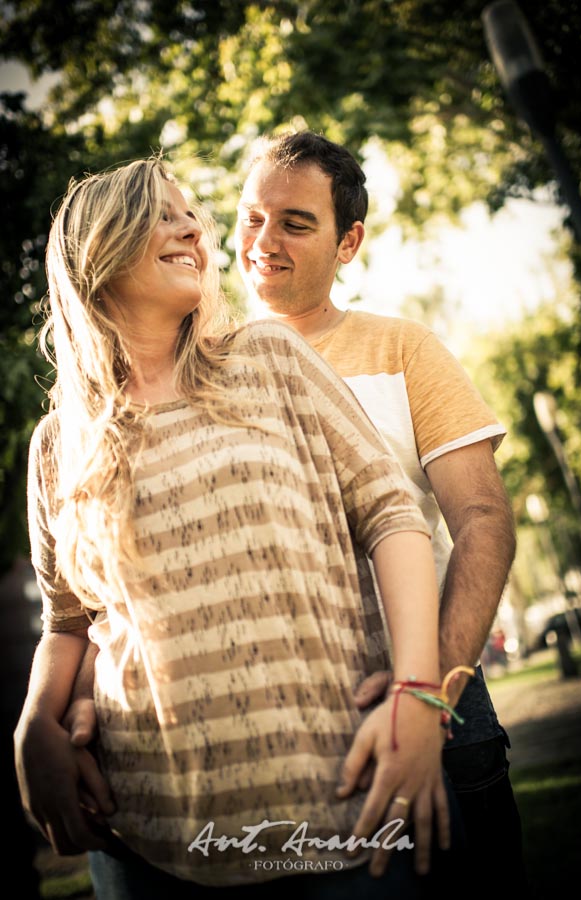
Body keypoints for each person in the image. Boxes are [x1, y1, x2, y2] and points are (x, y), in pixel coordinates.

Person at [14, 157, 470, 899]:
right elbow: (69, 621)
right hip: (151, 843)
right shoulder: (58, 447)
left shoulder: (268, 358)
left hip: (339, 814)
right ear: (96, 247)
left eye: (191, 214)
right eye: (162, 213)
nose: (193, 227)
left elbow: (393, 515)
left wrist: (418, 697)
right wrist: (35, 726)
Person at [233, 130, 525, 888]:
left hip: (435, 699)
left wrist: (432, 691)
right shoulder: (206, 370)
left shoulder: (403, 348)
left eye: (295, 223)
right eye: (251, 217)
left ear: (348, 241)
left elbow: (483, 521)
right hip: (277, 732)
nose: (264, 240)